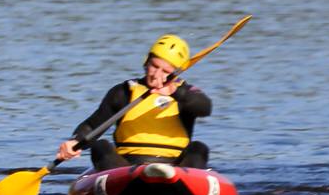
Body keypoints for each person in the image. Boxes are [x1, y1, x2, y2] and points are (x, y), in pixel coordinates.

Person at [53, 34, 214, 172]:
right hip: (125, 167)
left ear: (176, 73)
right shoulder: (123, 92)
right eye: (154, 66)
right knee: (100, 146)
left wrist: (174, 92)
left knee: (199, 148)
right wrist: (75, 141)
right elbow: (93, 125)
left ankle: (185, 181)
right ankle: (118, 181)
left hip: (175, 167)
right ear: (146, 62)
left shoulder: (186, 92)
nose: (157, 74)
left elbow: (205, 108)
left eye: (165, 71)